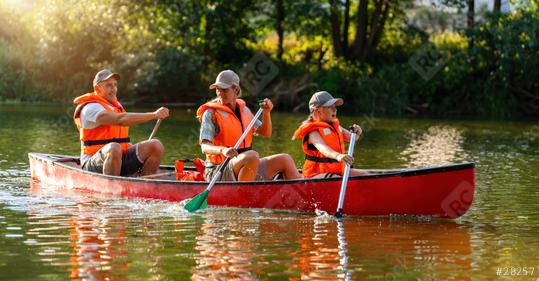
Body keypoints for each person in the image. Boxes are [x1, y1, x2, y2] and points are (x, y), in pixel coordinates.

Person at [197, 70, 301, 182]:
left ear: (236, 90)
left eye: (224, 90)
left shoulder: (245, 111)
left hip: (246, 165)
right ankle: (242, 196)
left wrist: (266, 113)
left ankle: (303, 196)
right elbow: (204, 147)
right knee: (252, 156)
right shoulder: (210, 113)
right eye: (217, 89)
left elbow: (266, 132)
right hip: (218, 171)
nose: (220, 93)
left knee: (285, 159)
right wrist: (223, 150)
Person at [73, 69, 169, 176]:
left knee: (156, 145)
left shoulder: (115, 106)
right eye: (108, 85)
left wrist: (129, 147)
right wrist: (154, 115)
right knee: (114, 148)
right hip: (92, 162)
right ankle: (112, 189)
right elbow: (121, 120)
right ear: (97, 88)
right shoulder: (91, 108)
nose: (113, 89)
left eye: (115, 85)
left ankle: (146, 184)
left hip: (118, 157)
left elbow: (117, 136)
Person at [293, 91, 367, 178]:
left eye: (334, 106)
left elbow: (353, 138)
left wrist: (357, 131)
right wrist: (338, 156)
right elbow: (324, 149)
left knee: (365, 175)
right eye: (329, 107)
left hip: (336, 171)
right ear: (317, 111)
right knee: (336, 179)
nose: (335, 109)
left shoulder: (335, 126)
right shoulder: (313, 132)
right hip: (316, 174)